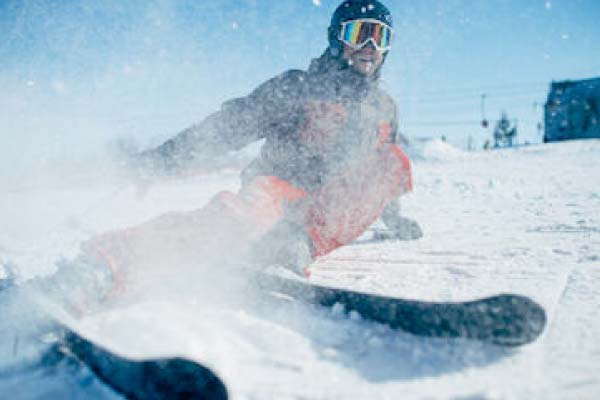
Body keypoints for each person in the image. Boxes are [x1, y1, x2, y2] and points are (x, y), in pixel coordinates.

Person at [5, 0, 422, 315]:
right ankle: (102, 267)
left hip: (325, 214)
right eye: (359, 33)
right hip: (276, 192)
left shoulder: (384, 108)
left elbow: (378, 176)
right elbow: (228, 127)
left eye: (379, 37)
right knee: (238, 217)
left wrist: (394, 215)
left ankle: (291, 244)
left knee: (395, 161)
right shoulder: (300, 86)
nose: (369, 46)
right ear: (337, 38)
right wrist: (161, 160)